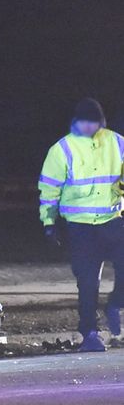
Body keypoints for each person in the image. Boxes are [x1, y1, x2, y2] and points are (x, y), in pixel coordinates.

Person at [39, 98, 124, 352]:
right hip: (80, 227)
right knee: (87, 282)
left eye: (94, 121)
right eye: (85, 121)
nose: (89, 126)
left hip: (112, 220)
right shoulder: (62, 149)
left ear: (101, 121)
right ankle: (89, 333)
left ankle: (115, 303)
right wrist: (48, 221)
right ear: (76, 121)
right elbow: (49, 188)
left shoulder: (117, 142)